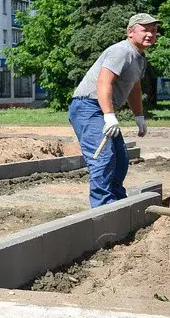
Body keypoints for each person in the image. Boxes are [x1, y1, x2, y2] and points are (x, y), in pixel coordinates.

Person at [68, 13, 159, 207]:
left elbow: (134, 88)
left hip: (98, 109)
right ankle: (102, 210)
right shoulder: (121, 51)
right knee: (104, 157)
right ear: (130, 32)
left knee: (120, 159)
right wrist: (109, 116)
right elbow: (103, 82)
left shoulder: (139, 57)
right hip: (88, 107)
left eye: (154, 30)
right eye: (145, 29)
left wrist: (139, 116)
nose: (150, 34)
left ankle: (116, 203)